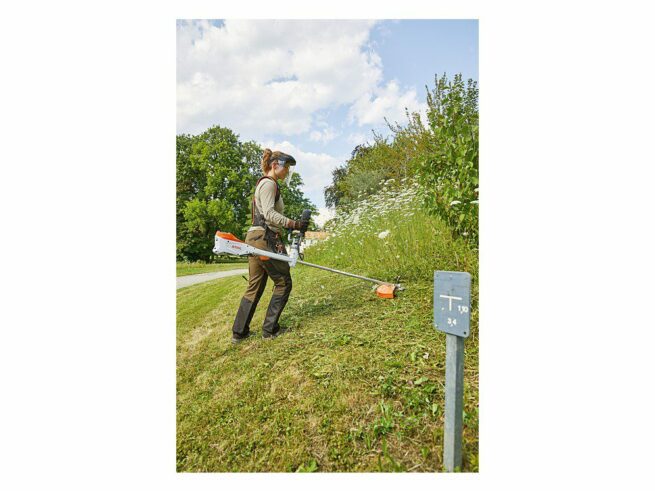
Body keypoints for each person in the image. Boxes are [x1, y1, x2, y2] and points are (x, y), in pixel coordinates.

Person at [231, 149, 309, 343]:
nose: (287, 172)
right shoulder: (268, 184)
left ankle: (239, 333)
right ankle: (270, 330)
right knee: (283, 282)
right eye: (287, 167)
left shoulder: (266, 184)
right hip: (265, 238)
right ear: (275, 165)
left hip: (256, 236)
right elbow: (269, 214)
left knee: (255, 286)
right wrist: (294, 224)